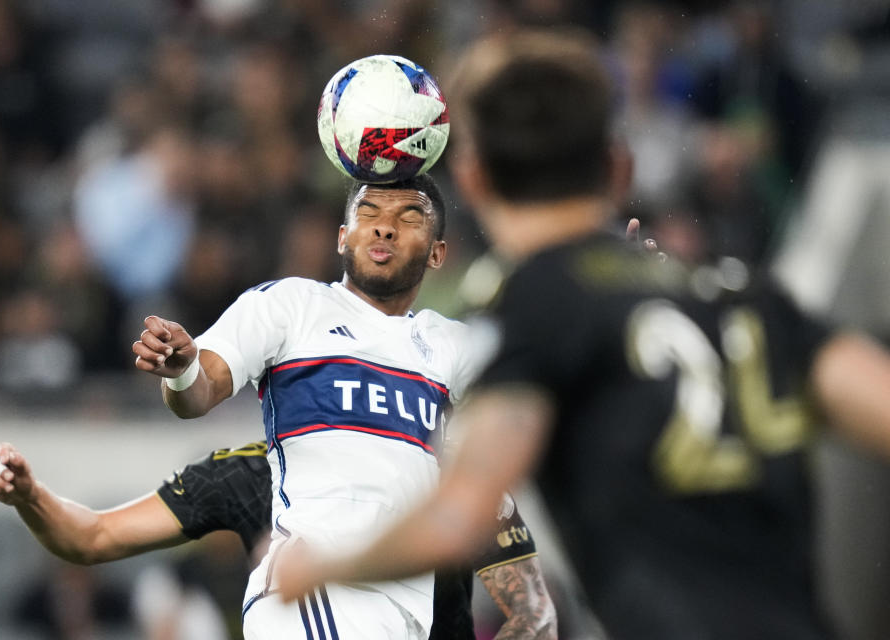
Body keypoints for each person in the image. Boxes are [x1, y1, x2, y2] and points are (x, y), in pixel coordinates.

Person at [273, 28, 890, 640]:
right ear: (617, 166)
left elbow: (458, 518)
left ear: (475, 178)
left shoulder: (536, 306)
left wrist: (322, 565)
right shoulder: (740, 295)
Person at [131, 172, 496, 639]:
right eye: (368, 215)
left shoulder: (452, 346)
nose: (384, 228)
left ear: (438, 252)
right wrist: (182, 368)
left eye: (409, 219)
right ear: (343, 238)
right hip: (314, 593)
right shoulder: (292, 307)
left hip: (405, 610)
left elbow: (561, 382)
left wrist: (622, 283)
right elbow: (199, 392)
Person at [0, 441, 557, 640]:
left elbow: (533, 617)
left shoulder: (452, 475)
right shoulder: (244, 475)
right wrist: (30, 495)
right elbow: (94, 536)